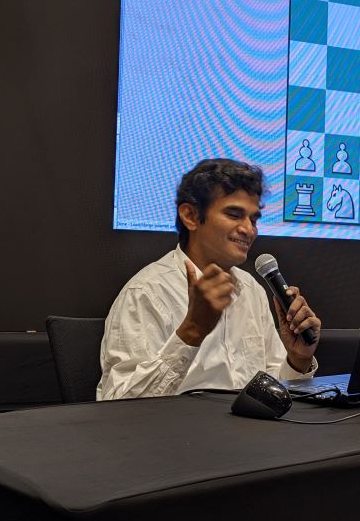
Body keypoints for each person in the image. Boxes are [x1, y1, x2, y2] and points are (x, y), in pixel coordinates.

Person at [98, 158, 321, 400]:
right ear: (190, 216)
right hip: (178, 425)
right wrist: (192, 331)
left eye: (254, 220)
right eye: (234, 214)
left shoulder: (251, 289)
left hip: (249, 424)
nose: (249, 230)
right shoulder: (146, 291)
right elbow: (118, 404)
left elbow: (272, 391)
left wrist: (297, 360)